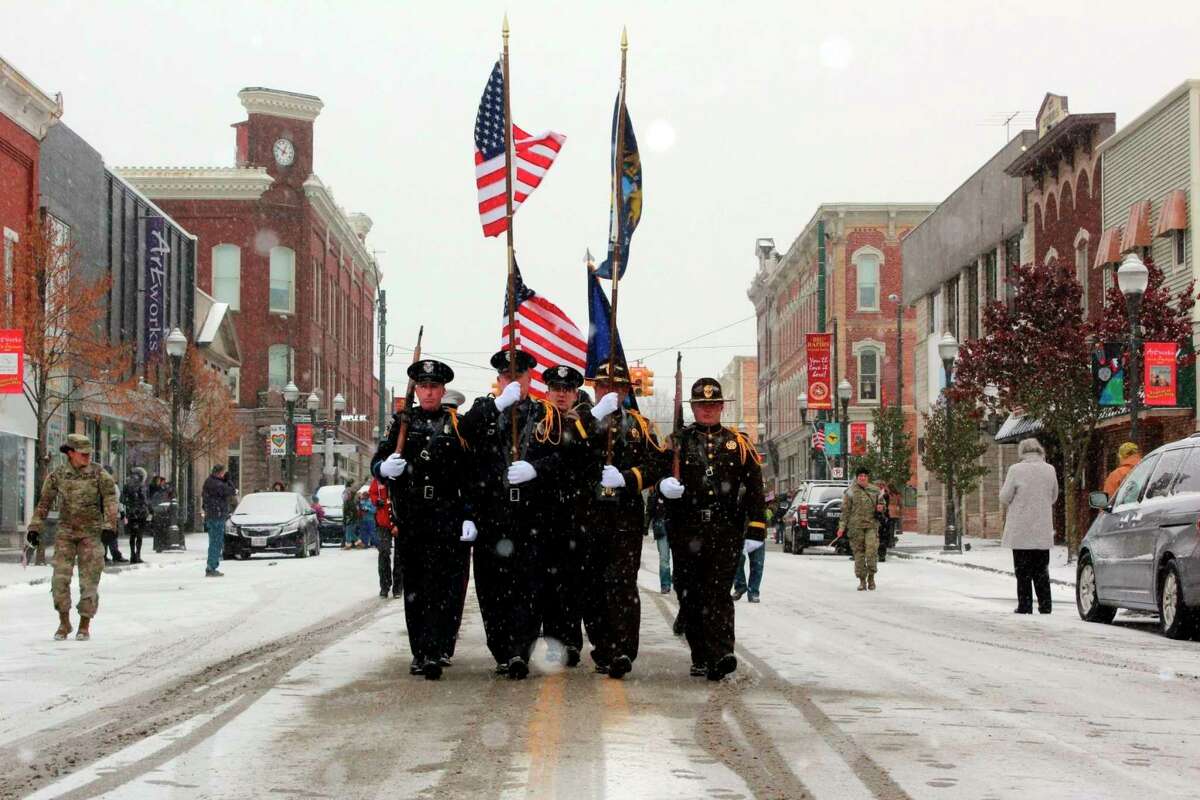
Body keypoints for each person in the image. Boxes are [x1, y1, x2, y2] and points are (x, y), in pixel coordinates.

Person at [457, 349, 584, 679]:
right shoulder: (484, 411)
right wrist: (497, 405)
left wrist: (535, 469)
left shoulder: (547, 415)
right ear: (499, 381)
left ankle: (519, 651)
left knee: (528, 587)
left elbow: (567, 459)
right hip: (491, 513)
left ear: (530, 379)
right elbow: (466, 445)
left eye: (520, 377)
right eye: (507, 377)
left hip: (532, 516)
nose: (513, 382)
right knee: (491, 587)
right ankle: (501, 649)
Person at [373, 358, 473, 680]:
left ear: (442, 390)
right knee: (416, 586)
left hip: (446, 515)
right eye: (423, 387)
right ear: (416, 390)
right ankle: (421, 651)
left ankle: (439, 647)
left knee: (444, 587)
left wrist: (469, 514)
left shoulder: (456, 425)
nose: (428, 393)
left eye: (434, 387)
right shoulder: (401, 423)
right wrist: (384, 469)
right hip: (413, 515)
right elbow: (378, 460)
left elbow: (470, 475)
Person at [660, 378, 766, 680]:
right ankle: (701, 654)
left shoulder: (738, 444)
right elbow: (658, 475)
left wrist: (756, 528)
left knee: (718, 593)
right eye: (701, 405)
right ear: (693, 408)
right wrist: (663, 487)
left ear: (721, 407)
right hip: (687, 530)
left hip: (724, 530)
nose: (707, 410)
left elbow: (755, 489)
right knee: (690, 593)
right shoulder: (677, 441)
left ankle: (722, 653)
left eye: (713, 405)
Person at [577, 361, 669, 680]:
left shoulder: (640, 426)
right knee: (592, 586)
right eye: (603, 386)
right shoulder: (580, 421)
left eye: (617, 387)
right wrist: (594, 416)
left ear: (627, 391)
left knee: (622, 583)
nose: (610, 392)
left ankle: (623, 650)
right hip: (588, 515)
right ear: (595, 389)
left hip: (624, 518)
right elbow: (565, 451)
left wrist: (628, 478)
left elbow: (657, 464)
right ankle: (602, 648)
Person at [26, 434, 118, 641]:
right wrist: (34, 527)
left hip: (91, 533)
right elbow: (44, 502)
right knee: (60, 578)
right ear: (70, 453)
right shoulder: (58, 475)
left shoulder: (98, 473)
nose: (87, 457)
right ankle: (64, 622)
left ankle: (84, 624)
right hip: (66, 533)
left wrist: (109, 525)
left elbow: (110, 499)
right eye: (82, 453)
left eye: (88, 453)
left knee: (89, 580)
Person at [539, 363, 595, 667]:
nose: (561, 395)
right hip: (544, 514)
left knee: (573, 582)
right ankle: (552, 642)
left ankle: (572, 642)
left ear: (576, 393)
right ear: (548, 392)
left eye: (568, 390)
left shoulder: (585, 421)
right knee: (547, 583)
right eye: (556, 389)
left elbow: (591, 460)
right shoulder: (539, 421)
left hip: (576, 513)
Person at [1000, 437, 1059, 614]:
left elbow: (1004, 496)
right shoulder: (1050, 470)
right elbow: (1054, 495)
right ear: (1040, 450)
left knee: (1023, 571)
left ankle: (1025, 605)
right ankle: (1045, 604)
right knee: (1041, 570)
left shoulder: (1016, 470)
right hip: (1042, 527)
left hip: (1021, 529)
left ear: (1022, 452)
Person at [840, 467, 883, 591]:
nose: (862, 478)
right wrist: (841, 527)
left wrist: (881, 508)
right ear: (857, 477)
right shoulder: (850, 492)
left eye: (865, 475)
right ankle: (862, 581)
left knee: (871, 552)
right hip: (856, 527)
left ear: (867, 477)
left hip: (871, 526)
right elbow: (845, 511)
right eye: (860, 476)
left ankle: (871, 578)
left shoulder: (875, 490)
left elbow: (882, 506)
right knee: (859, 554)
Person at [201, 465, 237, 577]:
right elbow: (231, 491)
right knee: (216, 542)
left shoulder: (210, 482)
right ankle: (211, 567)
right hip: (216, 515)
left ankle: (212, 565)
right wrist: (229, 480)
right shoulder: (216, 484)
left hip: (213, 514)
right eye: (223, 473)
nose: (223, 475)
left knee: (215, 541)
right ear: (219, 473)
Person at [369, 476, 401, 599]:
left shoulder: (400, 477)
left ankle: (398, 587)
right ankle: (384, 585)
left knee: (399, 556)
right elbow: (372, 493)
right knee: (384, 552)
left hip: (399, 520)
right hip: (383, 523)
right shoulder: (378, 479)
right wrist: (377, 500)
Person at [121, 467, 151, 564]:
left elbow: (122, 499)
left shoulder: (127, 486)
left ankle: (133, 555)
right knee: (139, 535)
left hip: (132, 513)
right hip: (141, 513)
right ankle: (137, 555)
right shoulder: (142, 486)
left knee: (133, 535)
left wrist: (129, 506)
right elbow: (145, 500)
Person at [100, 465, 127, 564]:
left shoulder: (98, 484)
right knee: (111, 535)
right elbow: (117, 501)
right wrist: (122, 512)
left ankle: (104, 555)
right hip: (110, 514)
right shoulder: (113, 486)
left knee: (104, 535)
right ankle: (114, 555)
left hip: (103, 513)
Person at [649, 488, 672, 594]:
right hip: (661, 527)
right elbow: (650, 512)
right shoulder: (655, 496)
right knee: (664, 558)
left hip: (674, 527)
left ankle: (673, 581)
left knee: (676, 558)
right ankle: (665, 584)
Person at [731, 530, 765, 603]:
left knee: (757, 564)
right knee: (736, 561)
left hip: (758, 532)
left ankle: (753, 592)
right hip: (739, 532)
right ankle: (740, 586)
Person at [342, 482, 361, 548]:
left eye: (347, 495)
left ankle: (349, 544)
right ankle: (357, 542)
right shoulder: (348, 501)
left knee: (348, 530)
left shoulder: (350, 502)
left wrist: (348, 517)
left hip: (350, 517)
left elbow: (351, 511)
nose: (346, 496)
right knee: (350, 531)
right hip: (350, 517)